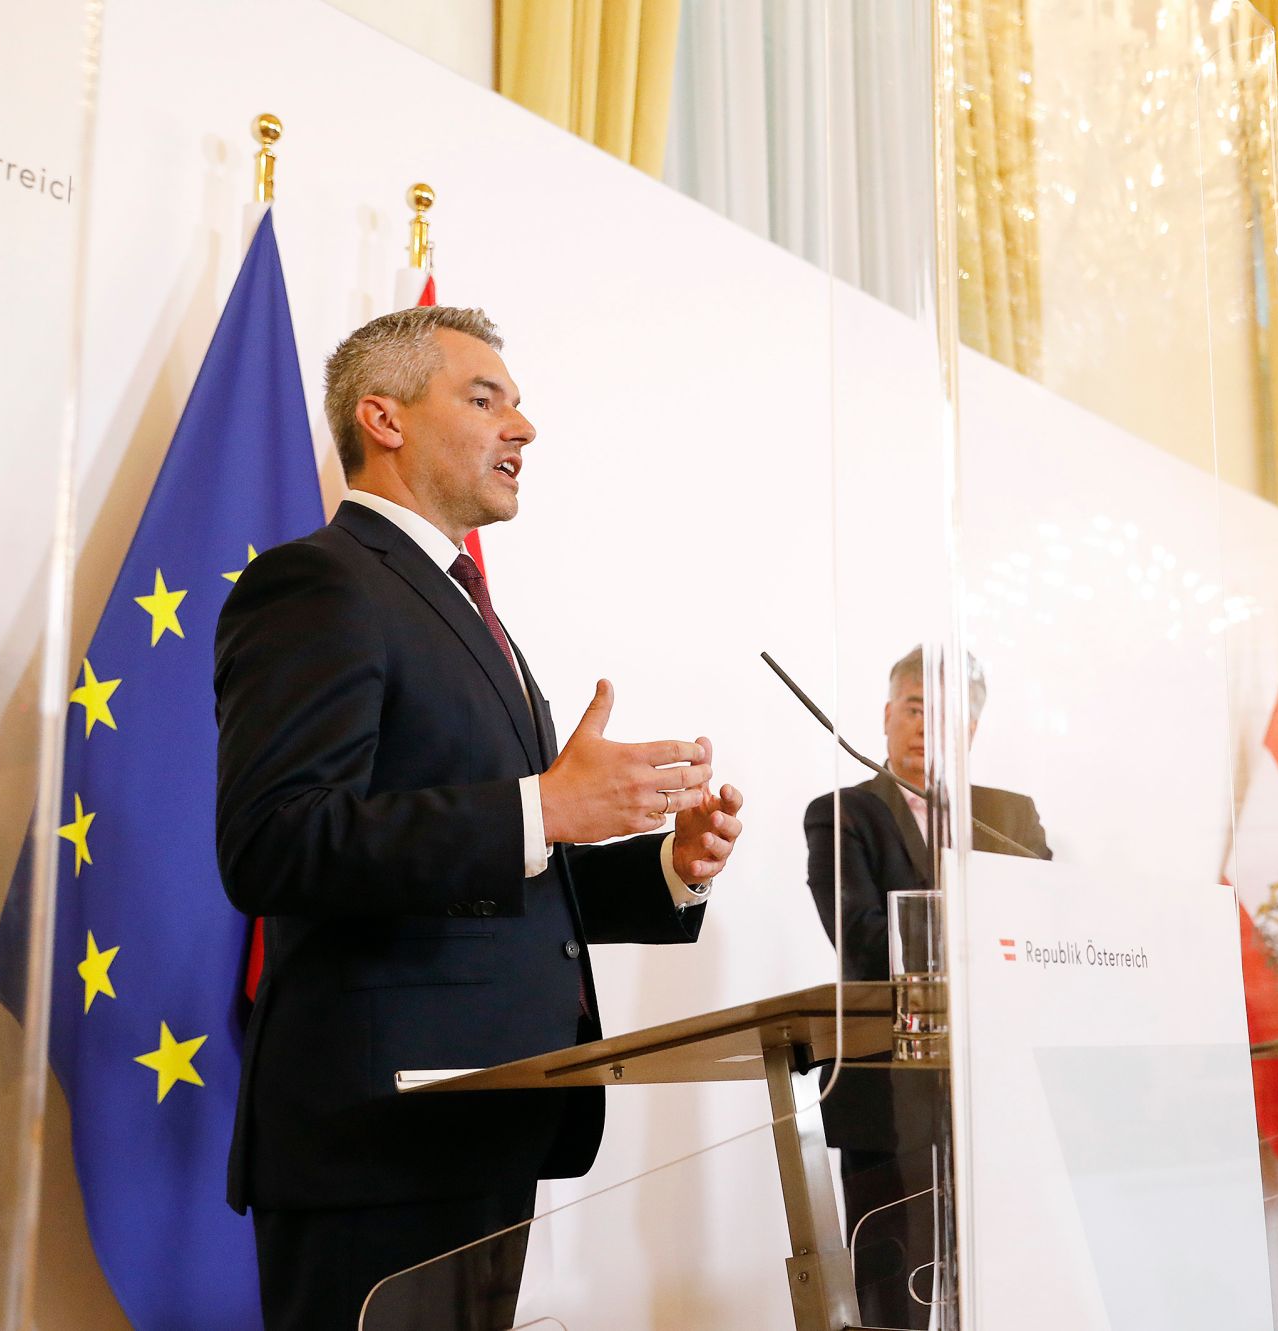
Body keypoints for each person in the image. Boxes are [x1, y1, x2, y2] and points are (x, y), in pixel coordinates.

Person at [213, 306, 745, 1330]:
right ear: (385, 417)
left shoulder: (461, 606)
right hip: (377, 1134)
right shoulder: (317, 581)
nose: (524, 426)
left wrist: (666, 868)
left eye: (518, 401)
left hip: (482, 1120)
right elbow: (274, 840)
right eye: (484, 397)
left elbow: (504, 870)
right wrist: (544, 802)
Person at [802, 646, 1047, 1329]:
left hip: (994, 1088)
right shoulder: (841, 813)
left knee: (1002, 1280)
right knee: (895, 1292)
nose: (925, 727)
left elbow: (1044, 928)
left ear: (970, 729)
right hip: (889, 1087)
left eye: (945, 714)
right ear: (886, 715)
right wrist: (977, 936)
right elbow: (862, 936)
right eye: (914, 708)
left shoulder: (1011, 815)